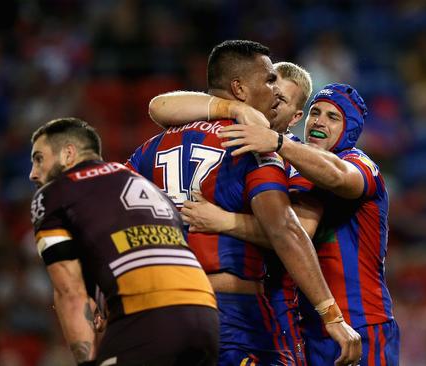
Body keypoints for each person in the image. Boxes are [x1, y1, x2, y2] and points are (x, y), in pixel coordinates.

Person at [127, 40, 361, 366]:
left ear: (295, 117)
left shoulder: (152, 146)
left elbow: (113, 219)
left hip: (159, 309)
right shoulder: (253, 146)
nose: (274, 90)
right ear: (239, 89)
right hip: (233, 313)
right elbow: (287, 232)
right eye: (268, 81)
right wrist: (331, 314)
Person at [214, 83, 400, 365]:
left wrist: (223, 220)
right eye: (315, 112)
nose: (319, 121)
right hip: (312, 327)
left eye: (332, 117)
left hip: (361, 324)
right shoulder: (298, 171)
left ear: (349, 129)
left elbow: (337, 178)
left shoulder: (359, 162)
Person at [148, 61, 316, 365]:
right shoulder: (230, 135)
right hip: (221, 299)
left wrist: (225, 221)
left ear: (295, 117)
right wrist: (231, 108)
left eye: (281, 99)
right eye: (270, 88)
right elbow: (160, 106)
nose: (272, 100)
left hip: (279, 302)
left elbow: (299, 234)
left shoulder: (296, 159)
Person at [28, 117, 219, 366]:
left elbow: (70, 294)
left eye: (39, 158)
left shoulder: (55, 193)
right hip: (207, 318)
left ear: (68, 154)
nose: (33, 173)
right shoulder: (145, 185)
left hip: (148, 320)